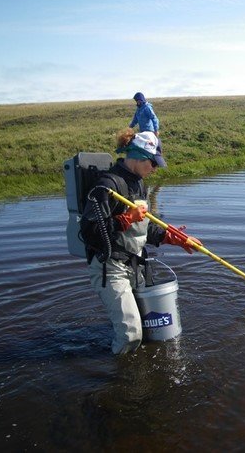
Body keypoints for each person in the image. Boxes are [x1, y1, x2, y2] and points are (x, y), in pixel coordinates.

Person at [80, 128, 200, 354]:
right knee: (131, 334)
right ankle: (121, 382)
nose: (155, 168)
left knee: (148, 327)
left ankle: (137, 367)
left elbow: (146, 227)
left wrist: (174, 238)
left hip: (135, 264)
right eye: (153, 163)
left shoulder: (139, 185)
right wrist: (125, 219)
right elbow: (90, 232)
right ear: (137, 156)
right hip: (111, 266)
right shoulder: (107, 185)